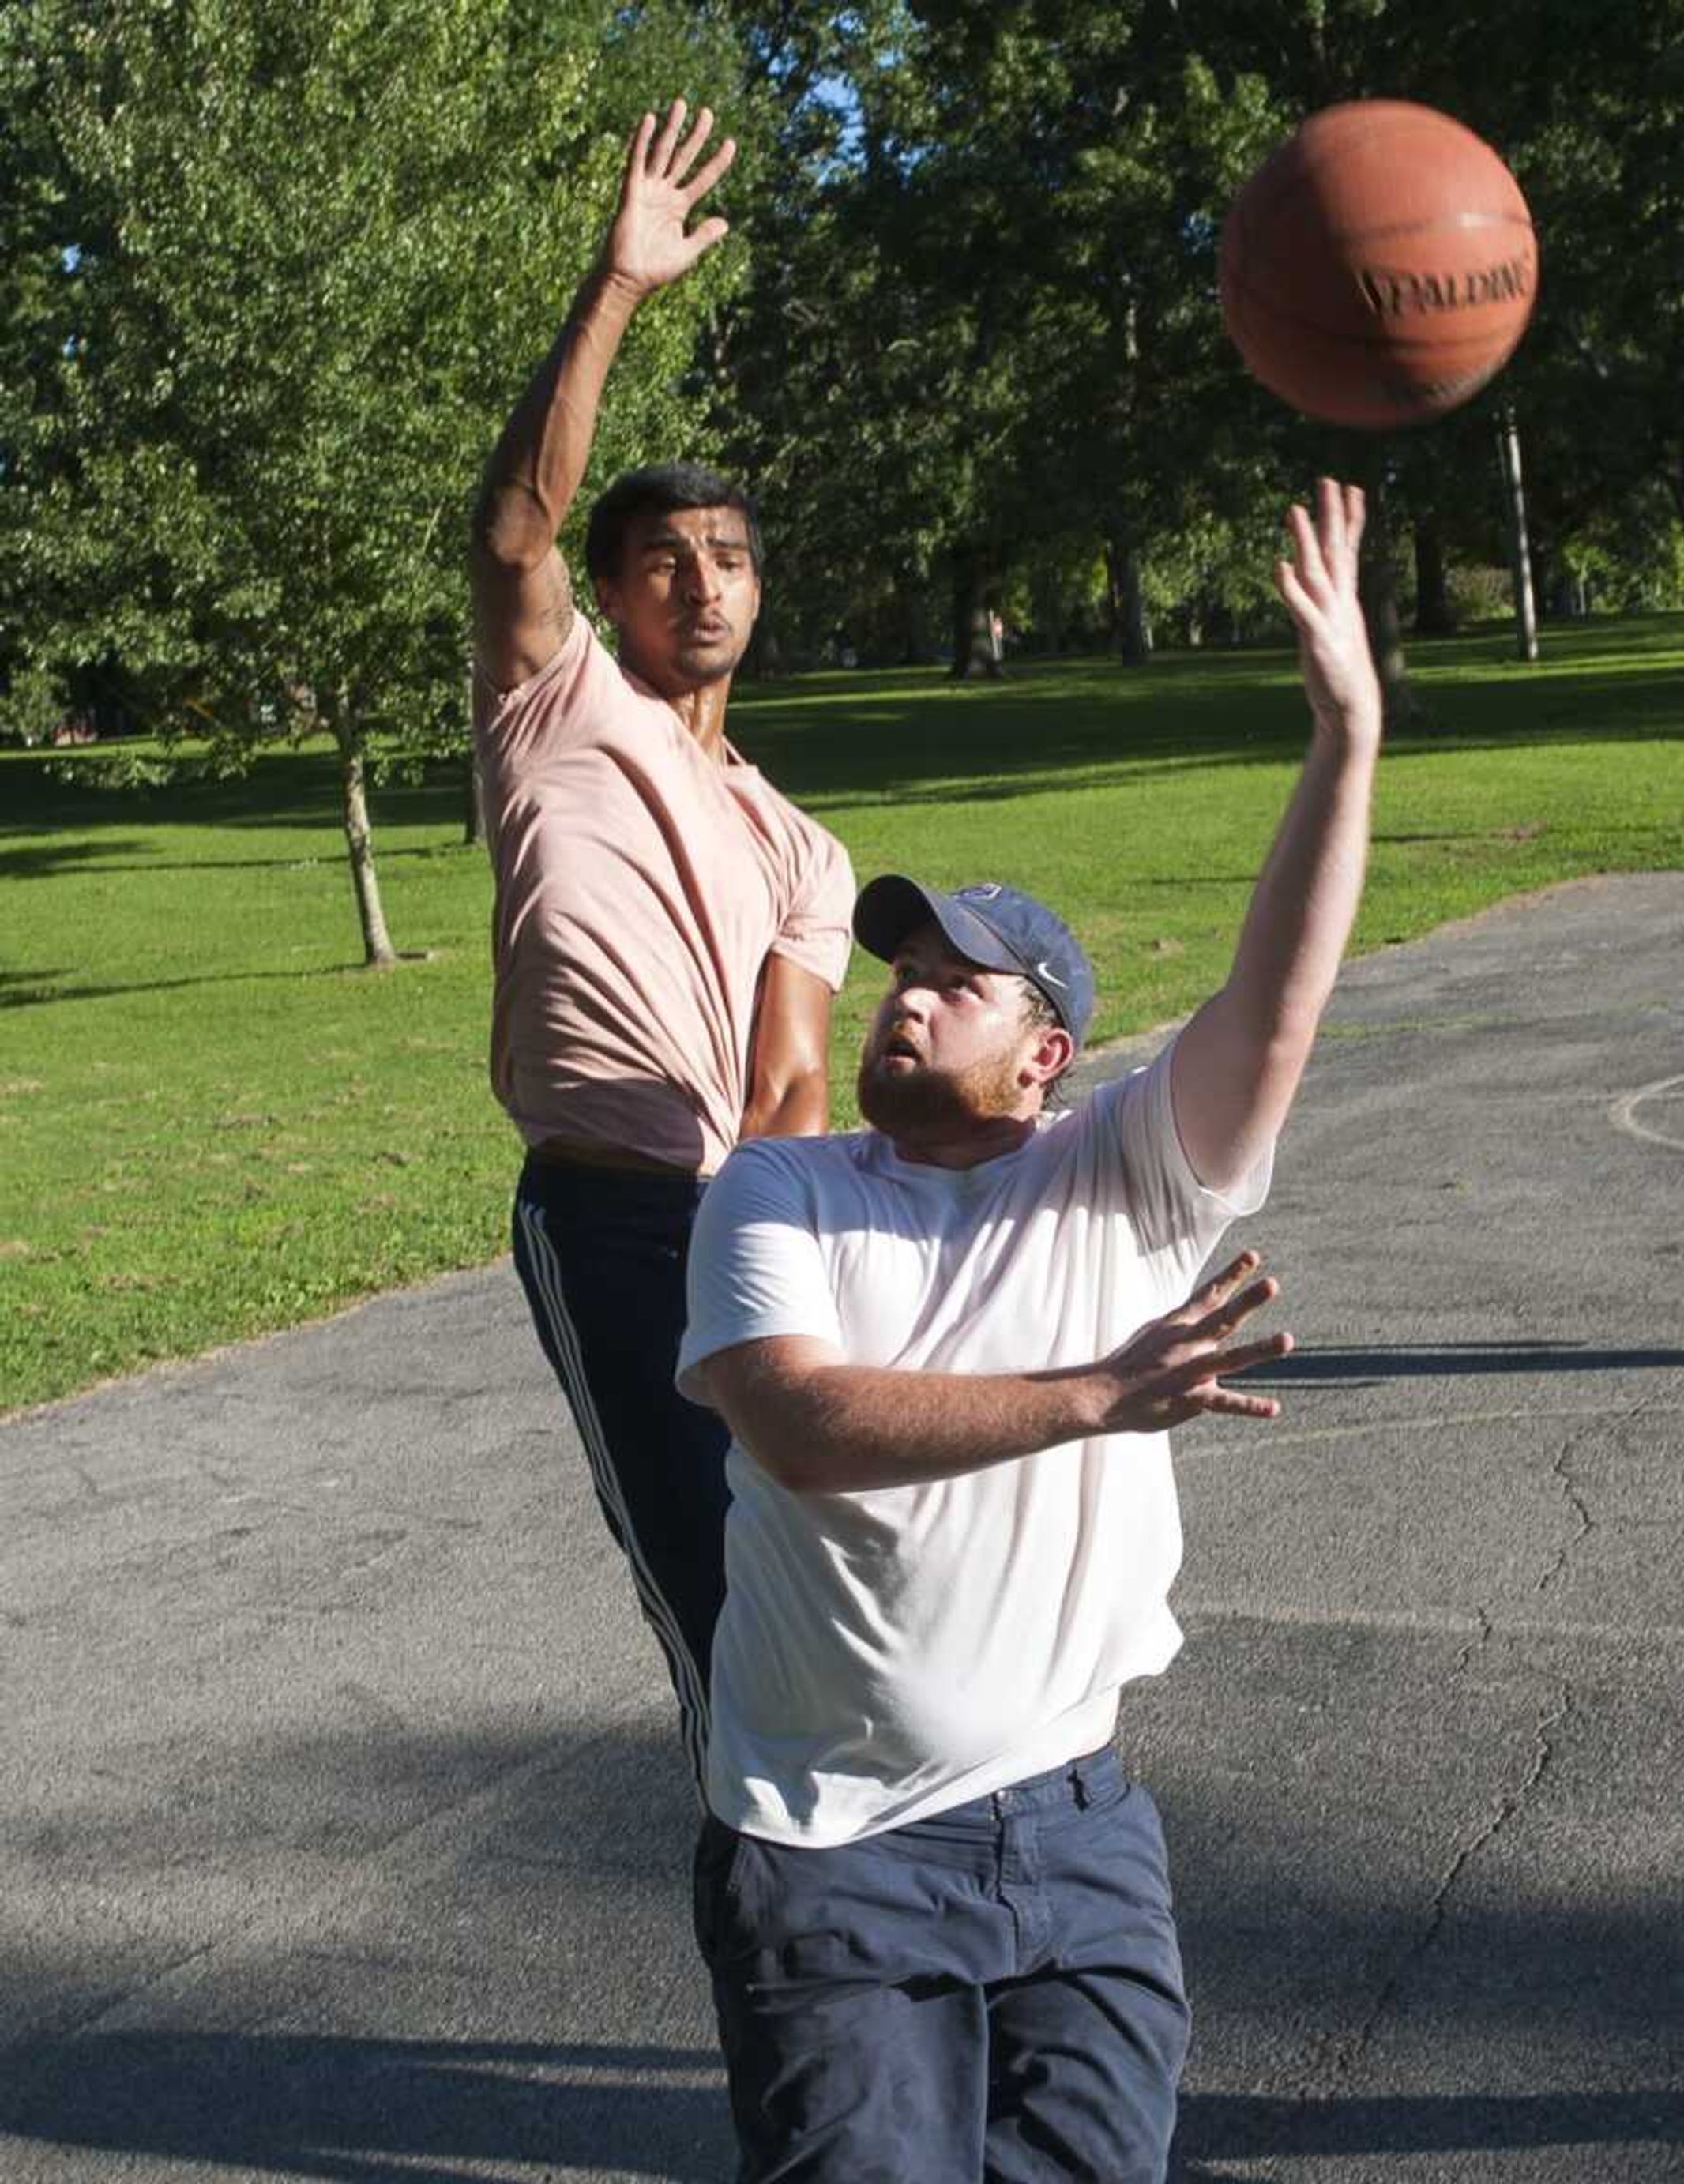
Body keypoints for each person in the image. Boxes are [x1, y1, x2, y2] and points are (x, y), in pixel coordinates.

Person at [672, 479, 1383, 2180]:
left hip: (1078, 1820)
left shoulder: (1125, 1175)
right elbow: (800, 1421)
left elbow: (1274, 1003)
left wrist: (1346, 739)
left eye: (958, 978)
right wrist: (1094, 1393)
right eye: (898, 962)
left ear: (1049, 1047)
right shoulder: (775, 1189)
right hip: (831, 1843)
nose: (905, 989)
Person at [469, 103, 851, 1763]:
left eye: (728, 557)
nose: (703, 582)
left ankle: (851, 1934)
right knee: (711, 1604)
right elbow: (510, 532)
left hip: (750, 1225)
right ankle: (776, 1974)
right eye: (665, 560)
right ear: (613, 596)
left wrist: (808, 1268)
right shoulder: (556, 703)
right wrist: (615, 287)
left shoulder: (806, 845)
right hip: (612, 1218)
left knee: (820, 1580)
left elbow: (793, 1076)